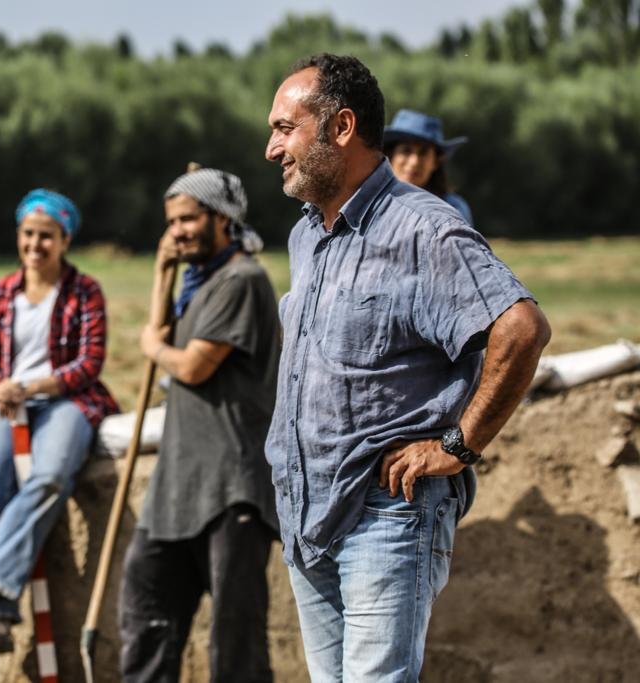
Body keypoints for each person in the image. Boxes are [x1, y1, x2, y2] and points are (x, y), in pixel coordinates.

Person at [263, 53, 550, 682]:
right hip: (309, 517)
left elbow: (521, 330)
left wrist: (457, 444)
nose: (270, 148)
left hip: (385, 515)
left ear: (341, 127)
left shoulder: (423, 230)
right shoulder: (307, 235)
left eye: (285, 128)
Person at [119, 168, 280, 682]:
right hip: (177, 487)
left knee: (235, 646)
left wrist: (152, 347)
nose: (178, 231)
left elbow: (191, 365)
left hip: (232, 487)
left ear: (222, 218)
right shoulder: (196, 283)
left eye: (189, 219)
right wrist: (162, 275)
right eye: (172, 222)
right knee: (146, 616)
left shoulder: (242, 280)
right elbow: (162, 329)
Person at [0, 188, 118, 653]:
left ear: (64, 240)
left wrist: (36, 386)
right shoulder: (1, 292)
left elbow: (90, 362)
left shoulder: (85, 291)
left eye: (47, 236)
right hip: (6, 401)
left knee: (49, 478)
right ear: (18, 236)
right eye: (28, 234)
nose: (36, 244)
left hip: (67, 400)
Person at [384, 108, 474, 226]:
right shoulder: (370, 203)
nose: (414, 162)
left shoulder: (454, 209)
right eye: (406, 151)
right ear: (391, 156)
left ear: (436, 162)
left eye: (423, 153)